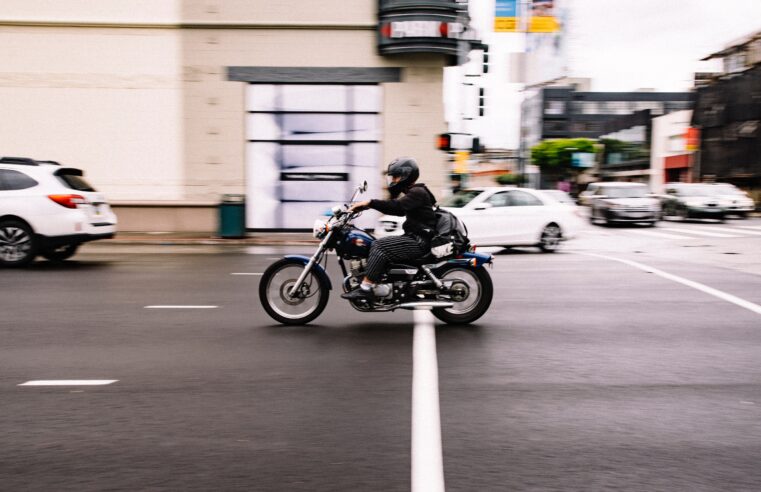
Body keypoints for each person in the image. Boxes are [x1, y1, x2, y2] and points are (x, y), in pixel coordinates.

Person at [341, 157, 437, 301]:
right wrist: (366, 206)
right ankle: (378, 280)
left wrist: (370, 202)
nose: (393, 180)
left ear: (406, 175)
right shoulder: (415, 193)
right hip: (416, 238)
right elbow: (398, 209)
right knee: (377, 243)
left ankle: (366, 288)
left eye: (396, 176)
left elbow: (397, 206)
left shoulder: (418, 192)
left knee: (379, 246)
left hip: (419, 241)